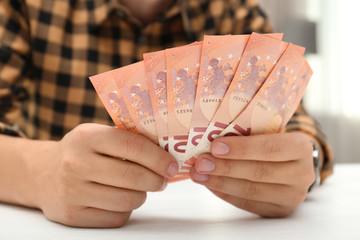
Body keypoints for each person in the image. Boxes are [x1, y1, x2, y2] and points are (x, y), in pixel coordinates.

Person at [0, 0, 333, 228]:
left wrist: (308, 162)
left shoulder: (231, 8)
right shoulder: (29, 6)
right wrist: (42, 173)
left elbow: (293, 118)